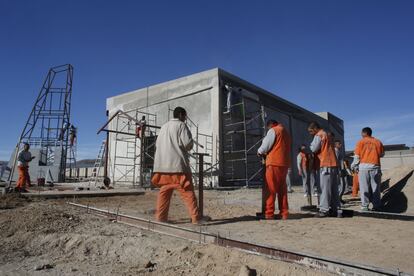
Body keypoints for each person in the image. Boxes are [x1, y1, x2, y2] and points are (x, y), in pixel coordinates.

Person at [151, 107, 207, 224]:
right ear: (181, 115)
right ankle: (196, 218)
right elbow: (187, 144)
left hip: (162, 167)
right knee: (187, 192)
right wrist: (191, 141)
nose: (186, 119)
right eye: (185, 116)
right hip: (177, 166)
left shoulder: (163, 127)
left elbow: (157, 144)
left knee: (164, 192)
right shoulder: (181, 125)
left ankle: (161, 218)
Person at [257, 119, 291, 220]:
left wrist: (259, 151)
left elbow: (266, 145)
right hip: (284, 163)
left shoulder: (274, 130)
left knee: (270, 188)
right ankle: (284, 213)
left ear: (270, 125)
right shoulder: (286, 132)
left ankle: (269, 213)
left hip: (274, 162)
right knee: (282, 189)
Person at [308, 122, 341, 218]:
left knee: (324, 189)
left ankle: (324, 210)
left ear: (315, 129)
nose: (311, 133)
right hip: (333, 164)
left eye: (311, 131)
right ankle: (336, 209)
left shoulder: (319, 135)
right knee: (334, 189)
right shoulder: (328, 135)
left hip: (325, 164)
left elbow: (314, 148)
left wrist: (310, 146)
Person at [351, 127, 384, 211]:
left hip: (363, 167)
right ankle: (376, 206)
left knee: (364, 187)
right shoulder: (378, 142)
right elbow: (382, 154)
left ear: (364, 133)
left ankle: (365, 205)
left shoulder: (360, 142)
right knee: (376, 187)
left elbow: (357, 156)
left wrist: (354, 165)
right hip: (375, 166)